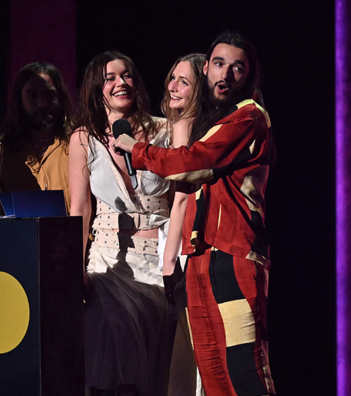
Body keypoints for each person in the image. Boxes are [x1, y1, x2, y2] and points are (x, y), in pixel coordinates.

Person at [113, 32, 276, 396]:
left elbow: (192, 165)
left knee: (243, 372)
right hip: (200, 258)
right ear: (206, 68)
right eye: (219, 64)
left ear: (248, 77)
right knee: (212, 372)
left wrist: (135, 150)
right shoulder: (211, 121)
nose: (226, 75)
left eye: (237, 68)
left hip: (234, 256)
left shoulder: (249, 116)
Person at [69, 51, 173, 395]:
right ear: (96, 88)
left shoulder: (165, 130)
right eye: (109, 77)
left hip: (160, 261)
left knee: (160, 358)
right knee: (106, 341)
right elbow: (80, 208)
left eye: (126, 75)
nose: (119, 83)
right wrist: (74, 267)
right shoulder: (83, 139)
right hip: (108, 261)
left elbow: (181, 198)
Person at [160, 53, 206, 396]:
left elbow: (180, 198)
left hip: (185, 243)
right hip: (198, 241)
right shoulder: (206, 125)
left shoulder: (183, 126)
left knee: (189, 351)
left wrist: (168, 260)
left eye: (184, 82)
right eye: (173, 78)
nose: (173, 86)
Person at [0, 62, 74, 213]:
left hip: (72, 235)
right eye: (32, 95)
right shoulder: (2, 151)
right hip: (20, 236)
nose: (41, 103)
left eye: (49, 94)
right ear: (20, 99)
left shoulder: (79, 145)